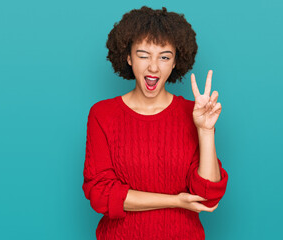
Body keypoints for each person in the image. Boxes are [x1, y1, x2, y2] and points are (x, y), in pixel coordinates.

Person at [82, 6, 228, 239]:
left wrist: (206, 130)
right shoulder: (103, 114)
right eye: (143, 55)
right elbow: (101, 195)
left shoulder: (193, 113)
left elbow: (207, 197)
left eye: (164, 57)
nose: (153, 67)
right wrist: (175, 201)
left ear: (174, 63)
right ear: (128, 57)